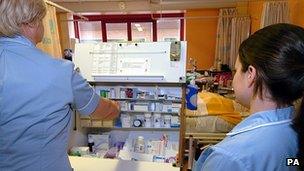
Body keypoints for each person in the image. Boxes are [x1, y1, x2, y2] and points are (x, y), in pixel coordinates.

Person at [0, 0, 120, 171]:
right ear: (31, 22)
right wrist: (116, 107)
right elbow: (101, 110)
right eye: (41, 20)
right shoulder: (60, 71)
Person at [194, 23, 304, 171]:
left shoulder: (230, 158)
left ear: (251, 74)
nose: (234, 78)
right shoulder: (291, 131)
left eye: (236, 70)